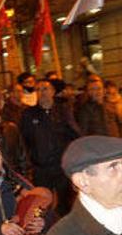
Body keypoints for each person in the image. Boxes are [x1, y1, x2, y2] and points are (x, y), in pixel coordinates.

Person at [20, 79, 79, 216]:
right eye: (39, 89)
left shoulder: (63, 111)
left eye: (46, 89)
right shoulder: (29, 114)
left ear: (53, 92)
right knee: (41, 204)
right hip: (41, 168)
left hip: (61, 167)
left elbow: (74, 134)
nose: (42, 92)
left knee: (65, 204)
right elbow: (23, 141)